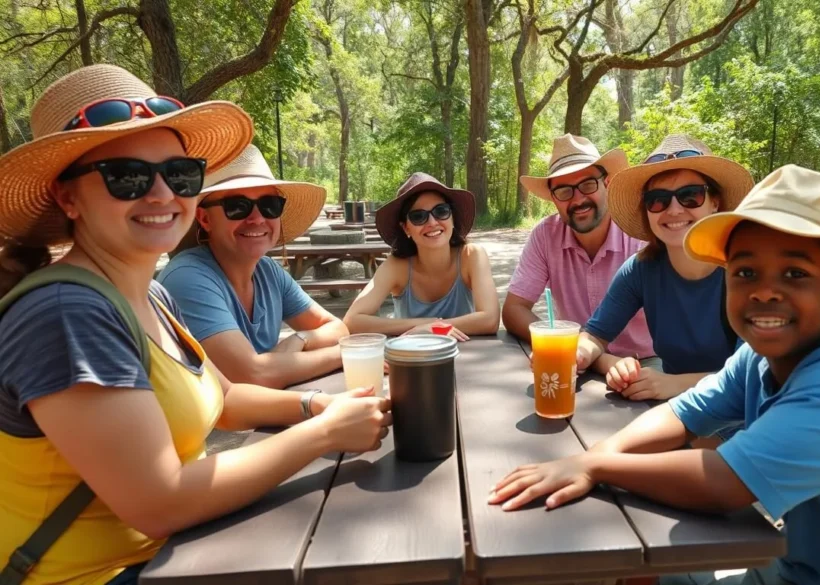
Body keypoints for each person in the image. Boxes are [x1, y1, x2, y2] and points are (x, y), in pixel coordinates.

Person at [0, 65, 391, 585]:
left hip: (179, 555)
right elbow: (159, 502)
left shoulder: (152, 294)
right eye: (127, 177)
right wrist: (323, 434)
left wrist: (321, 404)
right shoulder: (68, 312)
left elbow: (226, 400)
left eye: (181, 175)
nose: (162, 194)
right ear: (68, 197)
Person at [488, 165, 820, 585]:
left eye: (795, 274)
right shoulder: (757, 357)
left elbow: (724, 481)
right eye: (745, 273)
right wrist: (594, 455)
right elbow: (684, 411)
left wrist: (593, 466)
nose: (764, 292)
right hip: (788, 569)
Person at [576, 135, 754, 402]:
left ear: (714, 202)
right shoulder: (640, 269)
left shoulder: (749, 273)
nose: (673, 209)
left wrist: (675, 384)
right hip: (677, 412)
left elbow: (754, 374)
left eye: (690, 196)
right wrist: (577, 354)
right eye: (657, 200)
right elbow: (596, 336)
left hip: (745, 415)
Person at [158, 144, 348, 388]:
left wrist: (300, 339)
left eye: (270, 205)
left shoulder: (268, 272)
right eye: (237, 206)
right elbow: (250, 375)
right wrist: (344, 354)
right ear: (205, 219)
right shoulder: (187, 278)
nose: (257, 218)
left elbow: (338, 329)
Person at [503, 134, 654, 361]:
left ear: (608, 183)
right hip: (576, 359)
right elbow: (514, 309)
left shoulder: (640, 234)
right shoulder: (546, 236)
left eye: (587, 184)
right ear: (553, 199)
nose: (577, 199)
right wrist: (563, 344)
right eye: (564, 191)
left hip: (645, 363)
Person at [343, 172, 499, 338]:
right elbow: (352, 321)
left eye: (441, 211)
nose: (432, 222)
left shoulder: (472, 255)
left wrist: (436, 327)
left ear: (452, 218)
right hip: (412, 359)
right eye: (418, 216)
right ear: (406, 228)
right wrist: (425, 326)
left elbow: (490, 319)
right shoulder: (397, 265)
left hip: (467, 356)